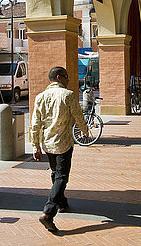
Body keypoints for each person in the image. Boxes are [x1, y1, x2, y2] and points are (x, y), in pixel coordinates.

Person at [30, 66, 89, 233]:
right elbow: (78, 115)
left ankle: (62, 202)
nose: (68, 80)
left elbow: (35, 124)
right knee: (62, 176)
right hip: (63, 143)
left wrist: (36, 146)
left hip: (48, 143)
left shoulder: (40, 97)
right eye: (66, 76)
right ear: (58, 77)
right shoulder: (68, 95)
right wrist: (85, 131)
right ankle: (48, 213)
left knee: (56, 173)